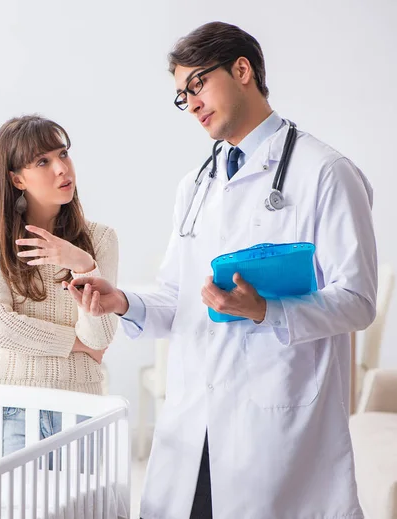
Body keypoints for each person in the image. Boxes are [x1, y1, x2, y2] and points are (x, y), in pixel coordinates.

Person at [66, 21, 377, 519]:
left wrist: (264, 310)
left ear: (242, 69)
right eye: (181, 94)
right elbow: (178, 296)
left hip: (277, 426)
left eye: (198, 84)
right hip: (195, 423)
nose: (190, 103)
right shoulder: (195, 185)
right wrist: (122, 301)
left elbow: (358, 301)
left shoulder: (326, 172)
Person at [0, 114, 118, 464]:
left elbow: (102, 337)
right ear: (17, 179)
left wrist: (82, 264)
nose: (61, 168)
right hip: (10, 404)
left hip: (82, 406)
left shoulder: (101, 240)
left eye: (63, 154)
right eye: (43, 161)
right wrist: (76, 343)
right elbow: (1, 328)